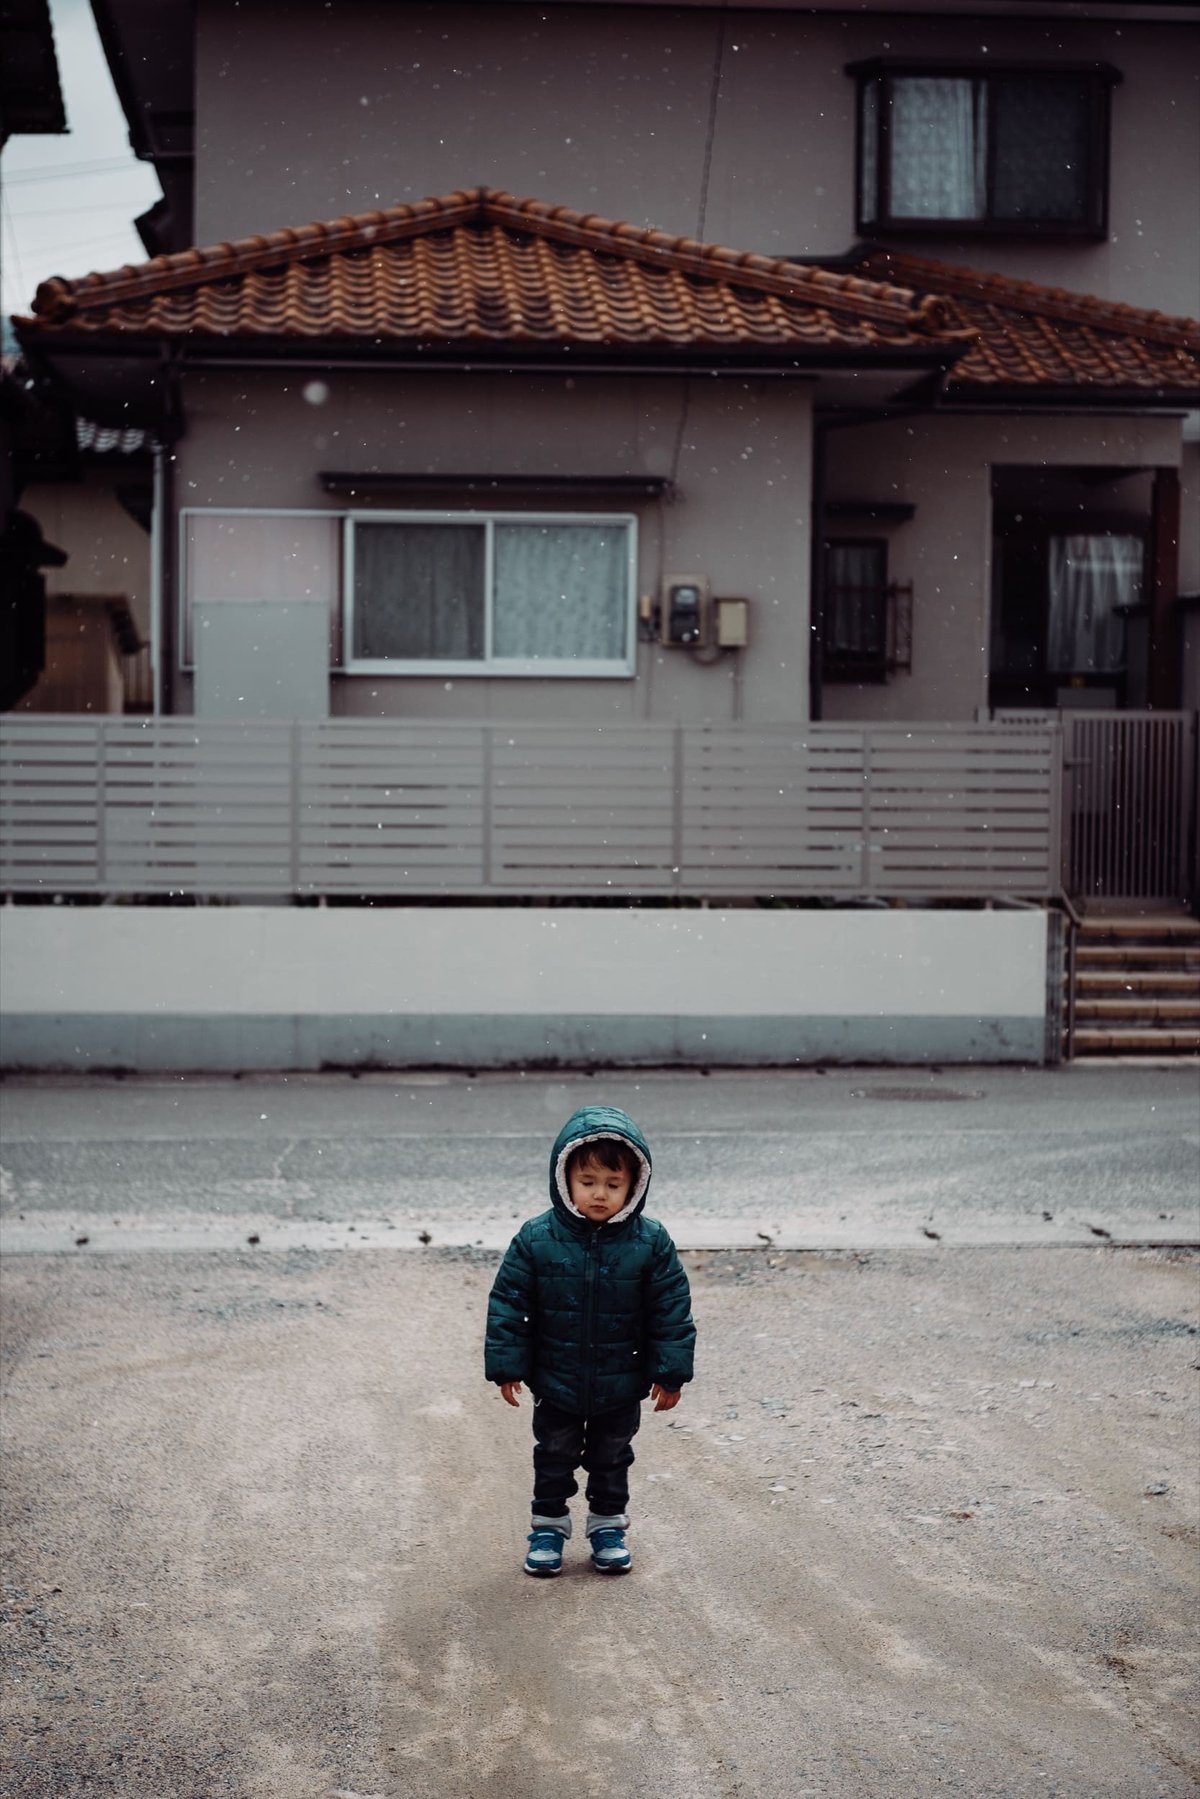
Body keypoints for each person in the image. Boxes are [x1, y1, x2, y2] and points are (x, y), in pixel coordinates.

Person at [485, 1104, 695, 1577]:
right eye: (588, 1182)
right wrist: (507, 1365)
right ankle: (547, 1527)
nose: (599, 1194)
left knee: (612, 1457)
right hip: (555, 1379)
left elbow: (671, 1310)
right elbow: (510, 1302)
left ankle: (607, 1527)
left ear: (634, 1186)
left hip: (621, 1382)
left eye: (613, 1185)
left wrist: (671, 1372)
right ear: (565, 1180)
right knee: (554, 1455)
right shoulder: (537, 1238)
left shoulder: (650, 1242)